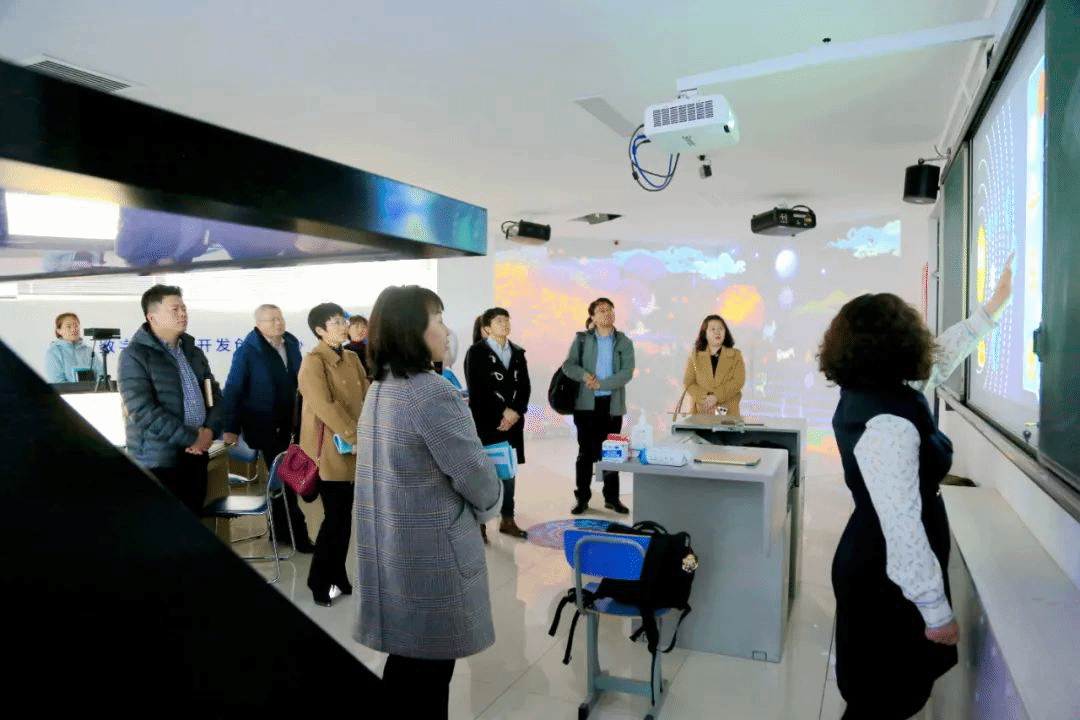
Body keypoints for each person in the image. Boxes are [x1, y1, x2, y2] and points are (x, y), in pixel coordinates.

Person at [818, 255, 1014, 720]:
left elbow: (938, 362)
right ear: (901, 343)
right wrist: (935, 612)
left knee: (875, 697)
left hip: (871, 558)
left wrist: (991, 310)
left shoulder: (873, 391)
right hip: (885, 578)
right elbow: (903, 528)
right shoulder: (889, 422)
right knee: (883, 699)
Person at [353, 285, 502, 720]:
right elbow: (476, 478)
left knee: (408, 665)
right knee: (429, 674)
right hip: (431, 557)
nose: (445, 329)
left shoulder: (382, 387)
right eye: (437, 319)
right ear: (412, 331)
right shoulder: (431, 392)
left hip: (395, 549)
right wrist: (492, 502)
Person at [118, 285, 222, 515]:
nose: (182, 314)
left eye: (184, 308)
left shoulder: (192, 352)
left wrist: (209, 431)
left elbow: (214, 396)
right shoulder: (135, 355)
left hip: (195, 457)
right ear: (152, 317)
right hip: (158, 460)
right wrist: (193, 437)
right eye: (174, 309)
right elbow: (141, 410)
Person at [220, 304, 314, 552]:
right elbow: (233, 389)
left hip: (292, 424)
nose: (278, 322)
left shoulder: (290, 344)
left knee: (289, 479)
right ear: (258, 324)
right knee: (287, 480)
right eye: (271, 319)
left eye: (280, 317)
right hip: (265, 425)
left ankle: (280, 531)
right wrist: (230, 427)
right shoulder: (247, 351)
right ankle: (297, 535)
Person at [298, 302, 368, 607]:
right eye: (336, 322)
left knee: (344, 519)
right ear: (320, 330)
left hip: (354, 449)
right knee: (335, 519)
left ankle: (338, 575)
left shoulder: (351, 357)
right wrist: (354, 435)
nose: (344, 326)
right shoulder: (313, 362)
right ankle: (318, 581)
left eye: (344, 320)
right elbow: (325, 407)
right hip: (328, 452)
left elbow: (366, 395)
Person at [561, 297, 635, 515]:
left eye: (610, 309)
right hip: (586, 405)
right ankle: (582, 498)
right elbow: (568, 365)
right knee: (585, 452)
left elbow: (626, 372)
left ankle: (612, 498)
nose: (607, 313)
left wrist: (602, 384)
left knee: (612, 452)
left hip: (611, 405)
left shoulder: (623, 341)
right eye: (601, 310)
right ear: (592, 317)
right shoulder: (582, 339)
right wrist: (585, 376)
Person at [464, 307, 531, 541]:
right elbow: (477, 388)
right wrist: (503, 411)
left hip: (512, 424)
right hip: (487, 422)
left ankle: (507, 519)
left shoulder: (518, 352)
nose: (505, 324)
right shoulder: (476, 352)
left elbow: (525, 387)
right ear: (487, 327)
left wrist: (516, 412)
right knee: (484, 472)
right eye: (499, 320)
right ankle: (480, 523)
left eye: (507, 319)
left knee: (508, 472)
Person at [683, 314, 746, 416]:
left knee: (723, 423)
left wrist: (716, 397)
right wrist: (705, 398)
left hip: (727, 412)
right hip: (701, 411)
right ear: (705, 333)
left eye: (721, 328)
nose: (717, 332)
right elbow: (689, 382)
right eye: (713, 329)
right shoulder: (695, 355)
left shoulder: (735, 355)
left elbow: (738, 382)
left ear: (725, 332)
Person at [45, 312, 102, 383]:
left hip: (93, 390)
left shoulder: (88, 350)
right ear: (59, 331)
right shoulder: (54, 352)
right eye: (68, 326)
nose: (73, 329)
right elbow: (57, 381)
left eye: (76, 326)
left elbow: (101, 375)